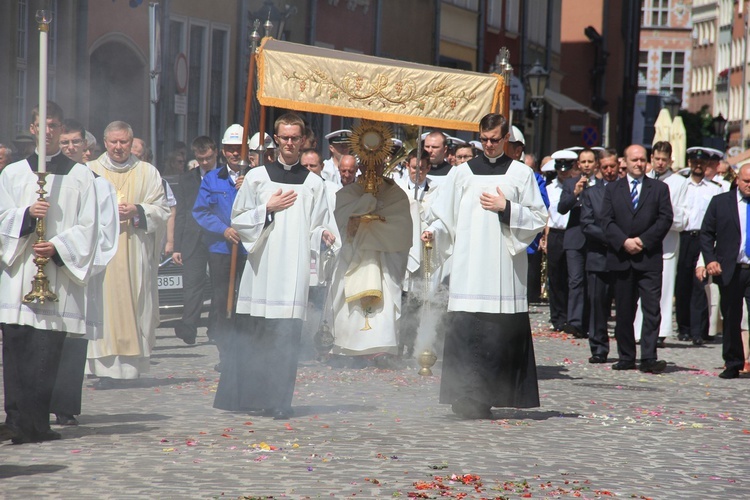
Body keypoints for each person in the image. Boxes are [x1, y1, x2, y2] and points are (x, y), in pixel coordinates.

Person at [422, 113, 547, 419]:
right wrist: (433, 233)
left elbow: (539, 218)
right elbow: (444, 218)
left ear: (506, 139)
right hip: (468, 269)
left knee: (496, 335)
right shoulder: (461, 174)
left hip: (503, 270)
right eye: (484, 139)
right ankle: (464, 397)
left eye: (495, 139)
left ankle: (489, 397)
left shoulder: (520, 174)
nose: (489, 145)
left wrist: (508, 209)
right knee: (467, 332)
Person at [214, 113, 338, 419]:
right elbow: (238, 219)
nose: (290, 144)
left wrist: (322, 234)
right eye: (285, 137)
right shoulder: (257, 178)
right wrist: (266, 209)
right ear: (276, 139)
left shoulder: (313, 183)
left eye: (296, 138)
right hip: (261, 268)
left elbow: (319, 223)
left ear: (304, 140)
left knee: (285, 337)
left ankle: (280, 401)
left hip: (292, 270)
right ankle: (249, 398)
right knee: (256, 333)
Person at [0, 101, 99, 443]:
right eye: (43, 125)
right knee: (16, 345)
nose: (49, 131)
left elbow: (90, 227)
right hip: (18, 275)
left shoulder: (82, 176)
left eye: (55, 125)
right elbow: (1, 218)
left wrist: (58, 247)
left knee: (46, 348)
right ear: (32, 128)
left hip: (57, 274)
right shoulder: (12, 174)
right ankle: (15, 418)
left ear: (61, 129)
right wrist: (27, 216)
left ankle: (38, 422)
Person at [86, 121, 170, 387]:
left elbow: (161, 209)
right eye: (113, 142)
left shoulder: (147, 173)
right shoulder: (90, 171)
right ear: (105, 142)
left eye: (124, 142)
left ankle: (130, 369)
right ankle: (104, 369)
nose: (119, 147)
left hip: (135, 251)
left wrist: (138, 210)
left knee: (135, 305)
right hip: (101, 254)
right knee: (104, 307)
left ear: (131, 142)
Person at [49, 119, 119, 426]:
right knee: (45, 339)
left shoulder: (99, 184)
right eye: (64, 143)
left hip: (79, 273)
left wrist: (74, 259)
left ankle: (65, 406)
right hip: (46, 270)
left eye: (75, 143)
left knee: (73, 341)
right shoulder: (46, 180)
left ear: (86, 148)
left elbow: (106, 234)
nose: (69, 148)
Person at [601, 144, 673, 373]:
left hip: (648, 258)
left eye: (643, 159)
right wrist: (624, 241)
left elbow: (664, 219)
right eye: (634, 160)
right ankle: (626, 356)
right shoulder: (613, 189)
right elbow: (606, 220)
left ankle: (649, 357)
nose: (639, 163)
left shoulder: (659, 189)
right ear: (625, 161)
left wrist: (642, 241)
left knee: (652, 310)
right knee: (624, 311)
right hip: (622, 258)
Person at [192, 125, 249, 371]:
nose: (235, 154)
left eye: (239, 149)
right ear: (223, 151)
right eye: (231, 150)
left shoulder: (257, 177)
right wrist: (223, 229)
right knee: (222, 302)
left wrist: (250, 188)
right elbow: (200, 211)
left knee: (247, 302)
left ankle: (248, 351)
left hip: (250, 250)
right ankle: (226, 353)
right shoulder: (213, 179)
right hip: (221, 249)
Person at [633, 142, 688, 346]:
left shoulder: (680, 183)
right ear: (651, 158)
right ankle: (638, 329)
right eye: (657, 159)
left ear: (670, 160)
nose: (660, 163)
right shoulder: (643, 178)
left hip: (666, 242)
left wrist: (660, 218)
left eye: (664, 160)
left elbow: (682, 218)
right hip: (643, 241)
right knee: (640, 288)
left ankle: (660, 331)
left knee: (663, 290)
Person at [698, 163, 750, 379]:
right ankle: (733, 361)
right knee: (730, 316)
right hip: (731, 269)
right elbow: (706, 233)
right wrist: (709, 260)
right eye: (747, 181)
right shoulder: (721, 203)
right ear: (737, 179)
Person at [675, 147, 724, 345]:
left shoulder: (714, 188)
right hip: (685, 237)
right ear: (689, 164)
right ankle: (683, 327)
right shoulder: (681, 186)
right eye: (694, 163)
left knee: (700, 284)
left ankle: (698, 330)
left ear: (706, 166)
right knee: (683, 284)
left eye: (701, 163)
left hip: (704, 239)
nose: (698, 166)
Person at [172, 136, 217, 345]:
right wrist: (176, 246)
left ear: (215, 153)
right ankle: (189, 326)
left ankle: (215, 328)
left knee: (219, 285)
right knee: (192, 285)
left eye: (208, 158)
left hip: (218, 236)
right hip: (193, 238)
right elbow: (181, 213)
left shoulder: (224, 175)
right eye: (201, 159)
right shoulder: (186, 179)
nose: (205, 163)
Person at [579, 148, 619, 363]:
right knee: (597, 305)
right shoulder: (591, 193)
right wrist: (612, 237)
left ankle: (626, 349)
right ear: (599, 168)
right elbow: (586, 224)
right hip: (598, 256)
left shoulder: (627, 191)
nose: (610, 171)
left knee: (624, 305)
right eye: (605, 167)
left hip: (623, 256)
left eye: (613, 166)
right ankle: (599, 348)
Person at [558, 148, 601, 339]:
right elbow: (561, 208)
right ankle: (575, 322)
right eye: (583, 162)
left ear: (595, 164)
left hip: (594, 239)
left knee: (593, 282)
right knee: (575, 280)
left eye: (590, 162)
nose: (586, 165)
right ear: (578, 165)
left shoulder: (603, 185)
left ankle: (590, 322)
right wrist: (575, 193)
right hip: (575, 238)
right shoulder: (570, 183)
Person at [396, 149, 434, 358]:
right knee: (401, 298)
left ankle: (414, 343)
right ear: (407, 167)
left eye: (422, 168)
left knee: (419, 299)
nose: (417, 172)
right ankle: (398, 343)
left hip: (426, 253)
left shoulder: (436, 191)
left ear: (428, 168)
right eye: (413, 168)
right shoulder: (399, 190)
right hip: (402, 250)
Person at [541, 151, 577, 331]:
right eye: (560, 169)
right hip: (555, 233)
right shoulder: (549, 189)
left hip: (571, 232)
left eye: (566, 169)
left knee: (572, 277)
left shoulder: (576, 186)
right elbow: (546, 215)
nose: (563, 173)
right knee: (555, 277)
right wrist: (545, 237)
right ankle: (557, 317)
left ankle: (571, 317)